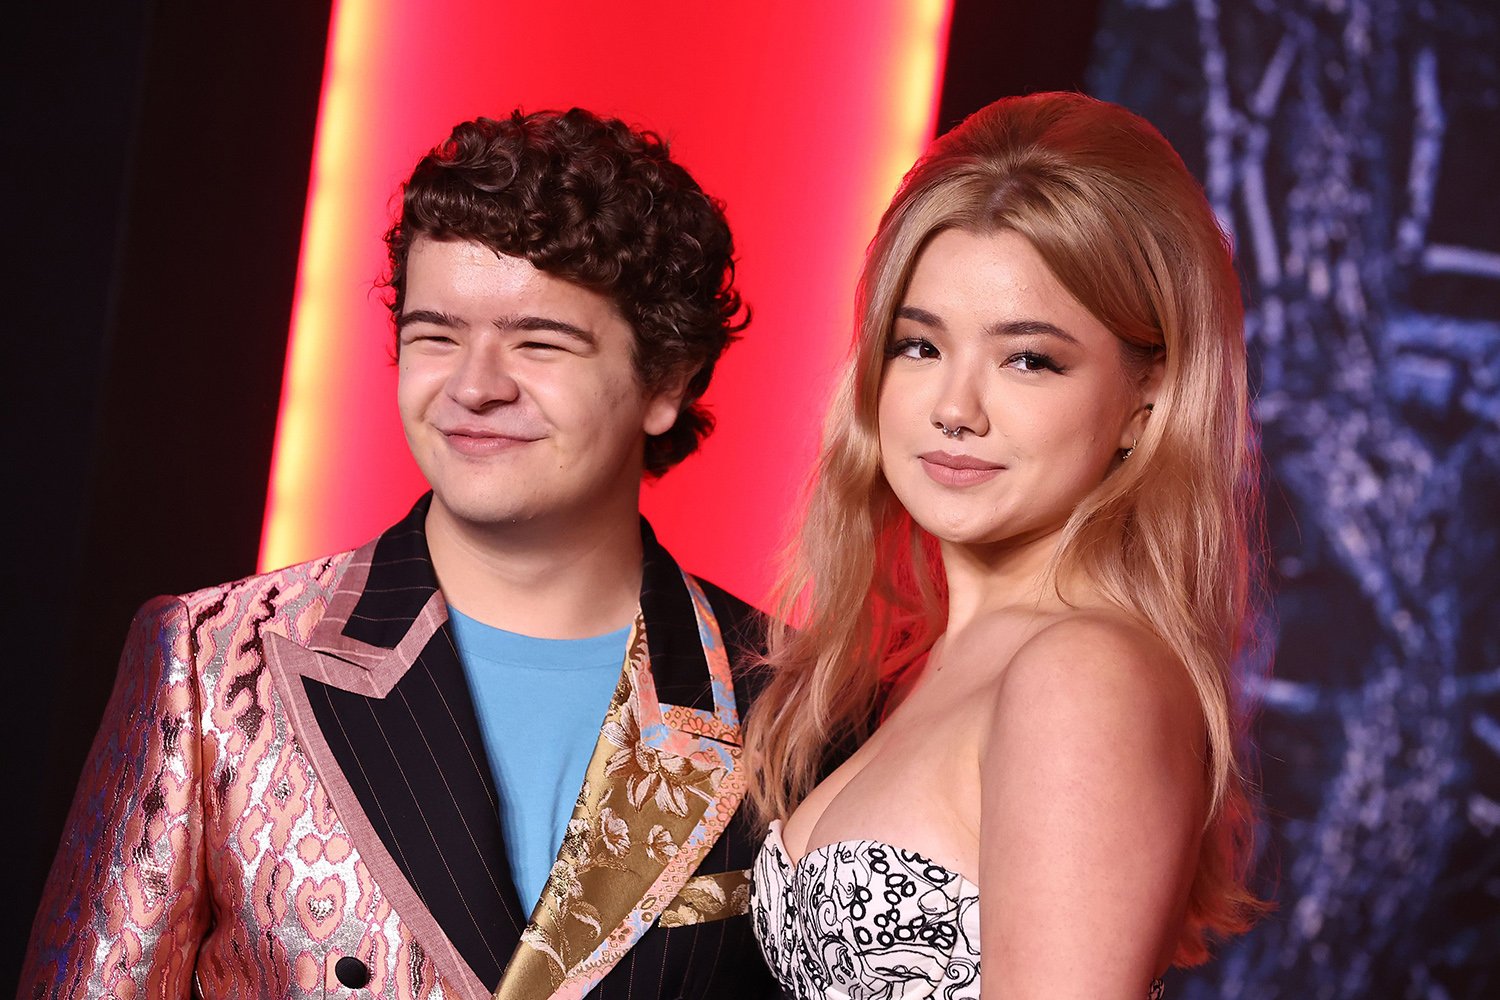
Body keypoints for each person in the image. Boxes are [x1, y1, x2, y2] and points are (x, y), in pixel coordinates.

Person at [23, 108, 779, 1000]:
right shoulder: (214, 658)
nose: (474, 386)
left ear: (668, 380)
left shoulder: (796, 700)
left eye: (539, 342)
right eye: (435, 335)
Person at [744, 92, 1268, 998]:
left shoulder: (1084, 671)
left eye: (1028, 359)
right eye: (918, 346)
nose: (956, 407)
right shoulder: (937, 663)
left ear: (1146, 400)